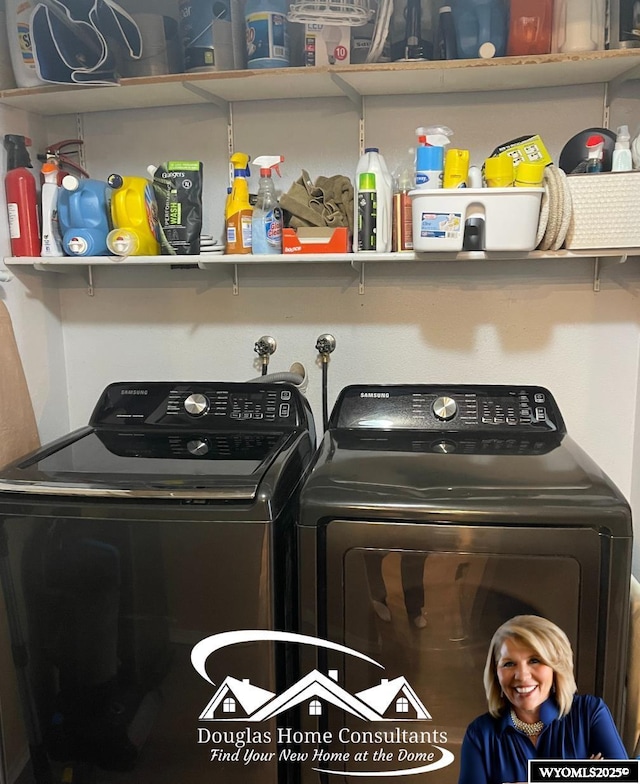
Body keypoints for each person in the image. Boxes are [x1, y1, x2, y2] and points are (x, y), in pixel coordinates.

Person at [458, 615, 628, 784]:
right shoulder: (480, 734)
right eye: (509, 664)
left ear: (556, 667)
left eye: (534, 660)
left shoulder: (590, 713)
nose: (522, 676)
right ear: (496, 673)